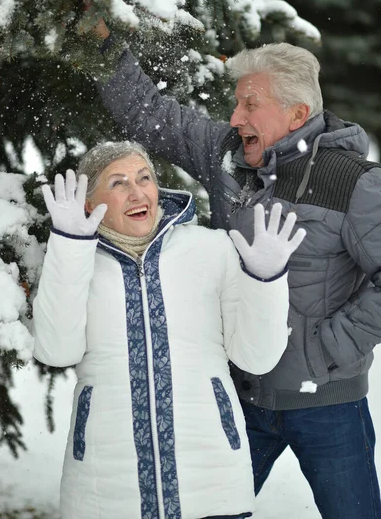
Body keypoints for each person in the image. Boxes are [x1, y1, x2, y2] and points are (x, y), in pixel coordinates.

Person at [94, 27, 381, 519]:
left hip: (328, 407)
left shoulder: (353, 181)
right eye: (236, 105)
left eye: (250, 105)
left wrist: (329, 348)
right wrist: (101, 43)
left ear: (296, 114)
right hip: (240, 400)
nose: (235, 118)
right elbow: (148, 113)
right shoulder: (227, 153)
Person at [32, 141, 305, 519]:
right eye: (118, 183)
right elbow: (55, 350)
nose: (136, 191)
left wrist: (265, 281)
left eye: (144, 178)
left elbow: (256, 358)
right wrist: (69, 246)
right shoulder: (77, 261)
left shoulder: (211, 249)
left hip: (212, 483)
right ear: (89, 205)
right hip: (105, 492)